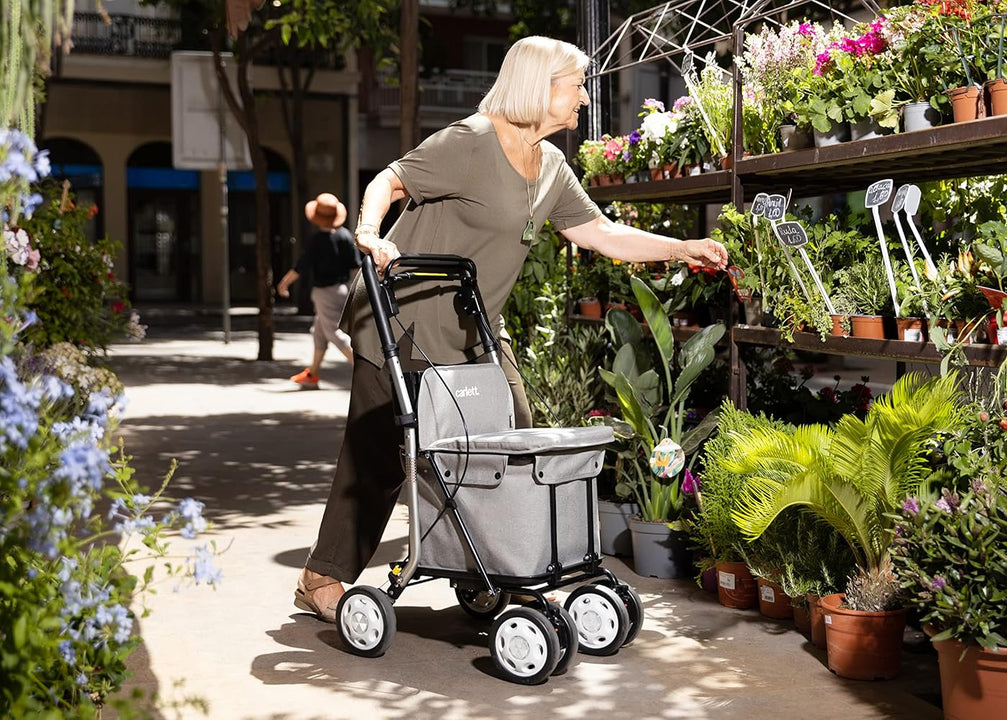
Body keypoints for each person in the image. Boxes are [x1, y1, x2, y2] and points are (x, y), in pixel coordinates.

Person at [293, 36, 728, 621]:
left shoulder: (551, 166)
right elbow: (388, 181)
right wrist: (371, 233)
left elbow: (599, 233)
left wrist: (680, 248)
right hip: (403, 321)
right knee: (378, 458)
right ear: (540, 86)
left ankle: (498, 566)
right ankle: (323, 576)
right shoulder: (472, 142)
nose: (583, 96)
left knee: (514, 438)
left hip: (475, 328)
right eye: (575, 84)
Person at [277, 192, 361, 389]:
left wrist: (284, 283)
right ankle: (312, 374)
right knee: (319, 332)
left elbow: (301, 266)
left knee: (335, 334)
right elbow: (357, 267)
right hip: (344, 289)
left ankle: (365, 372)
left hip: (325, 292)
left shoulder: (316, 241)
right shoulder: (346, 236)